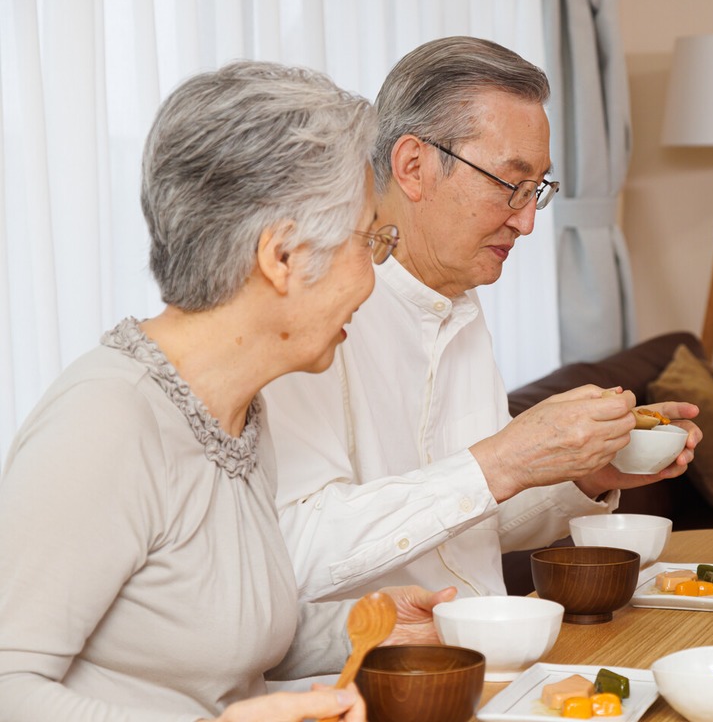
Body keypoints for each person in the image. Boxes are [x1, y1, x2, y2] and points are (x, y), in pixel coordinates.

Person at [0, 61, 456, 722]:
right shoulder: (104, 423)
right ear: (282, 258)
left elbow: (217, 641)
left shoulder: (236, 410)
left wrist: (368, 624)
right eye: (370, 240)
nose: (372, 276)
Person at [262, 36, 701, 602]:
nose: (526, 223)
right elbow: (292, 550)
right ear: (414, 167)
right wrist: (503, 459)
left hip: (490, 651)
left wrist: (582, 472)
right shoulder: (312, 314)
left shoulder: (459, 302)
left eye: (536, 189)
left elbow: (468, 523)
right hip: (372, 672)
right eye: (509, 184)